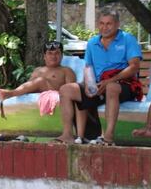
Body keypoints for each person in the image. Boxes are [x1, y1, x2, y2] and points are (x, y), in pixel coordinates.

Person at [55, 10, 142, 145]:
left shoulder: (127, 39)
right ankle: (67, 134)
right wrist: (89, 85)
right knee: (66, 89)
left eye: (109, 24)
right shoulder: (92, 43)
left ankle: (107, 137)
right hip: (99, 84)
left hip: (122, 83)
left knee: (112, 88)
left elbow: (134, 66)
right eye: (101, 23)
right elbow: (88, 68)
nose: (104, 27)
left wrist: (109, 81)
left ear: (117, 24)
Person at [0, 41, 76, 119]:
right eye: (50, 53)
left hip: (55, 94)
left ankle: (10, 94)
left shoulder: (66, 71)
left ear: (61, 56)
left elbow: (71, 91)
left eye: (57, 53)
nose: (53, 56)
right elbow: (28, 86)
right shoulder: (38, 70)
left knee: (40, 81)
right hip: (35, 97)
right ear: (44, 56)